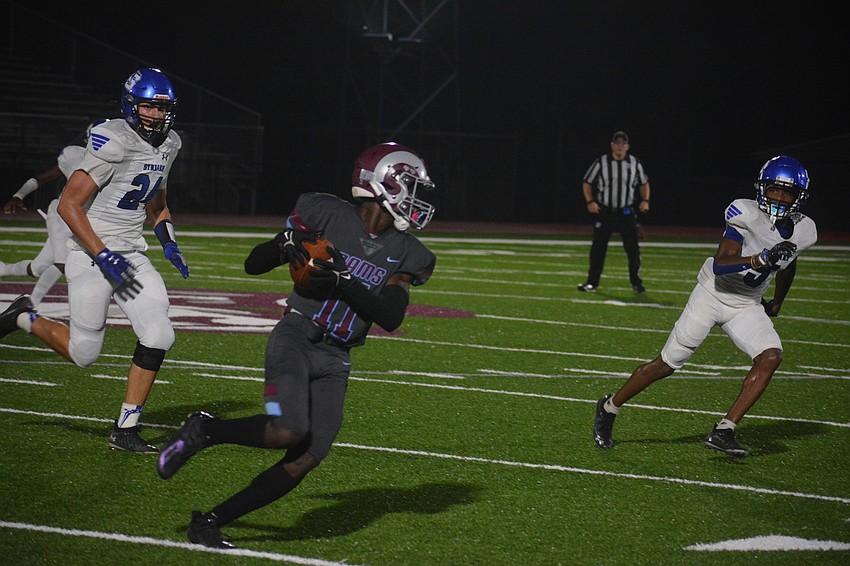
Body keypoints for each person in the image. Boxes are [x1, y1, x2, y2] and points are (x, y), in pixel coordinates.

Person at [156, 142, 437, 549]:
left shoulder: (409, 252)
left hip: (337, 357)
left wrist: (344, 282)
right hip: (296, 337)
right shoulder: (325, 213)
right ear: (384, 183)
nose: (414, 198)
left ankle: (210, 522)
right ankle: (206, 430)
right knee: (288, 428)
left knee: (307, 455)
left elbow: (391, 317)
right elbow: (253, 264)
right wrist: (285, 245)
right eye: (409, 186)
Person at [0, 68, 189, 453]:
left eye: (163, 108)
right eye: (149, 107)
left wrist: (168, 239)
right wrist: (102, 254)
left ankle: (125, 428)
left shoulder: (170, 143)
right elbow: (69, 205)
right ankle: (24, 315)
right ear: (131, 105)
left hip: (131, 253)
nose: (156, 115)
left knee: (159, 334)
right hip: (89, 254)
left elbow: (156, 201)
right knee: (84, 354)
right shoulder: (114, 142)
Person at [593, 155, 816, 458]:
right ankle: (609, 407)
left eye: (786, 193)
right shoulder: (745, 214)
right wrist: (759, 259)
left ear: (797, 198)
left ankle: (724, 430)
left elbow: (789, 262)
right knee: (666, 365)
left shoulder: (805, 230)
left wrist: (776, 302)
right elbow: (722, 263)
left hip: (746, 304)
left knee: (771, 356)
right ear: (762, 189)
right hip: (711, 295)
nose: (778, 197)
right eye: (773, 190)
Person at [1, 121, 104, 306]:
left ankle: (3, 269)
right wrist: (18, 195)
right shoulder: (75, 156)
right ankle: (30, 306)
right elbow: (42, 178)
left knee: (38, 268)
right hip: (62, 213)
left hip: (81, 218)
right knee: (62, 263)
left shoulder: (117, 165)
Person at [577, 131, 651, 293]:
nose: (620, 146)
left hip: (626, 213)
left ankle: (636, 283)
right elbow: (587, 182)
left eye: (623, 143)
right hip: (605, 212)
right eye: (617, 143)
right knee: (597, 249)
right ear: (612, 145)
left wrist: (645, 200)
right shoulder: (601, 162)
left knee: (633, 250)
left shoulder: (634, 163)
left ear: (627, 147)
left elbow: (644, 183)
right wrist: (590, 201)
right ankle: (592, 283)